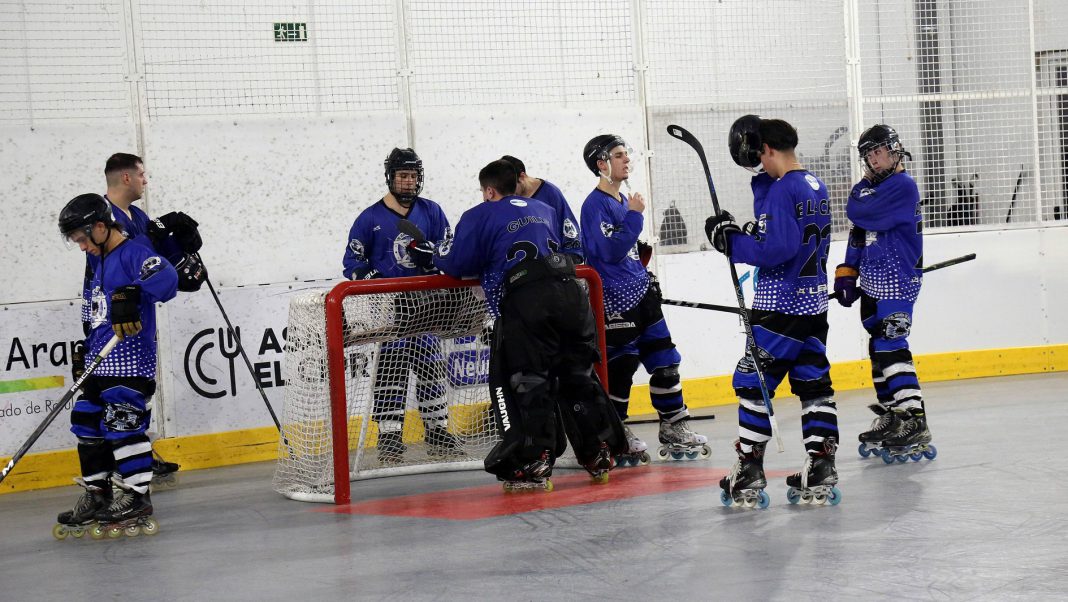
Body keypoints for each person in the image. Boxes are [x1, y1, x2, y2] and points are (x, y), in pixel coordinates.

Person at [428, 159, 626, 490]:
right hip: (572, 296)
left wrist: (434, 251)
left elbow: (457, 262)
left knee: (529, 380)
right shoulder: (542, 207)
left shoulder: (479, 215)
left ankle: (535, 461)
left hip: (528, 300)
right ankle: (599, 452)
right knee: (578, 376)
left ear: (489, 191)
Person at [705, 116, 840, 506]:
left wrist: (730, 242)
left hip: (781, 307)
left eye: (758, 156)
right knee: (814, 384)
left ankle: (748, 468)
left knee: (753, 382)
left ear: (766, 149)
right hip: (813, 306)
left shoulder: (783, 191)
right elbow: (784, 234)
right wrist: (758, 195)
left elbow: (774, 250)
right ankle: (821, 463)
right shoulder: (813, 183)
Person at [579, 134, 708, 463]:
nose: (626, 160)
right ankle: (616, 430)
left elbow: (628, 253)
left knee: (665, 361)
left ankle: (674, 427)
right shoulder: (595, 205)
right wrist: (635, 215)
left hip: (641, 296)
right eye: (618, 155)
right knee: (621, 368)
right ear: (601, 164)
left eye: (626, 154)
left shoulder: (623, 200)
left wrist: (646, 276)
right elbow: (610, 250)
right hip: (615, 302)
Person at [55, 193, 178, 535]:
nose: (81, 246)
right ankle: (97, 493)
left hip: (129, 363)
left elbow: (168, 282)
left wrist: (133, 293)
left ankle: (137, 494)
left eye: (82, 238)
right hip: (100, 360)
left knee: (122, 424)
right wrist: (84, 348)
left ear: (99, 227)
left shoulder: (135, 252)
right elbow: (99, 311)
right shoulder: (99, 260)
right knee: (85, 420)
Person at [341, 147, 462, 463]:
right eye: (402, 176)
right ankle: (390, 438)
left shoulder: (432, 211)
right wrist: (374, 278)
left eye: (412, 176)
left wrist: (432, 254)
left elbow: (449, 252)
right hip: (388, 309)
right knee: (390, 373)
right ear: (390, 177)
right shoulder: (370, 218)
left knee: (430, 370)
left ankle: (437, 433)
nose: (408, 182)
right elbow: (352, 261)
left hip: (426, 306)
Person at [99, 153, 204, 484]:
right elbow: (124, 256)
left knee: (139, 388)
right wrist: (157, 234)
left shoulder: (138, 214)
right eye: (142, 174)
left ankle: (138, 452)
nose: (146, 180)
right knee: (120, 391)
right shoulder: (102, 216)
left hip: (141, 315)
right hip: (116, 315)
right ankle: (122, 461)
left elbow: (154, 259)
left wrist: (182, 249)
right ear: (126, 177)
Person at [833, 124, 934, 462]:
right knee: (877, 348)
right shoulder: (872, 188)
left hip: (898, 283)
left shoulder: (903, 186)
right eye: (869, 155)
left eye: (880, 152)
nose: (875, 160)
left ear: (895, 150)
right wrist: (849, 271)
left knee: (892, 346)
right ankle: (892, 416)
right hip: (874, 283)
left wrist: (859, 198)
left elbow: (861, 211)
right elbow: (859, 231)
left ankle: (914, 418)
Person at [499, 155, 583, 261]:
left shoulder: (550, 193)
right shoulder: (507, 199)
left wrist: (573, 254)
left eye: (512, 185)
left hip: (553, 264)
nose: (508, 191)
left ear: (522, 176)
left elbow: (567, 224)